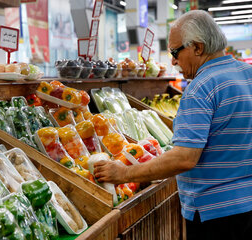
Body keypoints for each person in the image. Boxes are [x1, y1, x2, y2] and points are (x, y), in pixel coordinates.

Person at [93, 10, 252, 240]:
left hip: (215, 214)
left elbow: (183, 158)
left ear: (198, 47)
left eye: (176, 52)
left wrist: (125, 172)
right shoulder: (248, 75)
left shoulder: (201, 88)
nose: (173, 61)